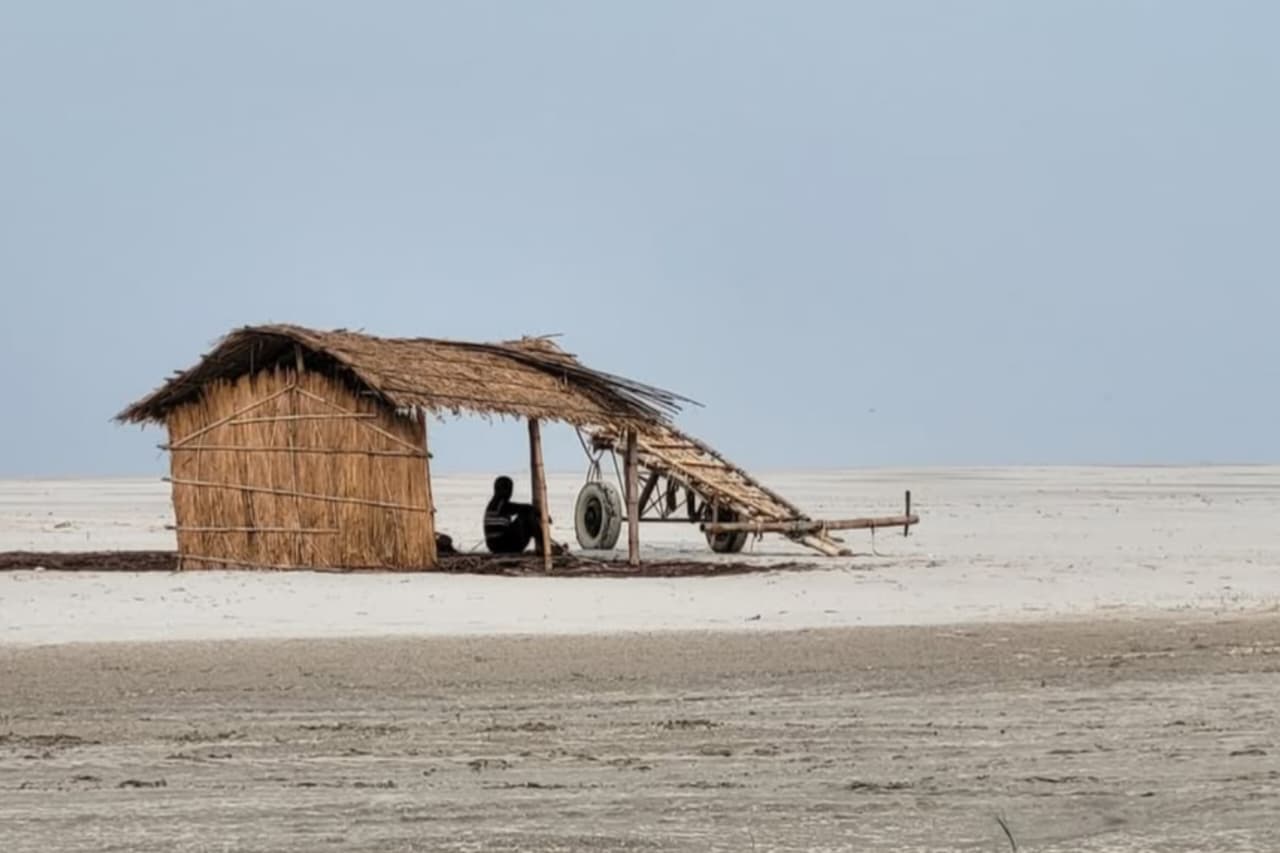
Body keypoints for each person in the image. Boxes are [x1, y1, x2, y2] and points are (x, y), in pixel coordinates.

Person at [483, 475, 545, 555]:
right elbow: (525, 508)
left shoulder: (496, 503)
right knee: (527, 515)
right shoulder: (499, 504)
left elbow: (518, 508)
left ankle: (543, 545)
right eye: (507, 489)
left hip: (497, 546)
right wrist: (541, 515)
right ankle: (544, 545)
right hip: (502, 545)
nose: (509, 492)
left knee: (528, 515)